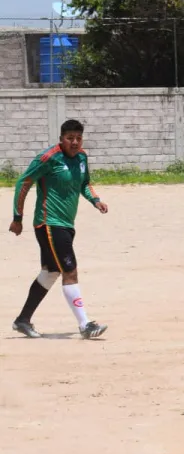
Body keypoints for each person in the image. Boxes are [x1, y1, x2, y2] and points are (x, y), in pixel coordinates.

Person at [9, 119, 108, 339]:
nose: (75, 142)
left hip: (66, 224)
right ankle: (85, 324)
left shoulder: (82, 157)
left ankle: (22, 320)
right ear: (61, 139)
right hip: (49, 223)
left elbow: (84, 183)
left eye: (78, 138)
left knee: (51, 271)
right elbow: (23, 183)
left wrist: (95, 200)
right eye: (70, 138)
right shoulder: (48, 158)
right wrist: (17, 218)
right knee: (69, 270)